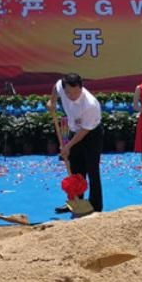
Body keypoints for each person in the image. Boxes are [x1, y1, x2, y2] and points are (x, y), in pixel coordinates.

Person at [47, 73, 104, 212]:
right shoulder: (62, 87)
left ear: (81, 87)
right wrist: (52, 101)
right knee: (75, 168)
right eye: (68, 93)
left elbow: (84, 130)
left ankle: (95, 206)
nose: (72, 96)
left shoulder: (90, 104)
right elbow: (56, 86)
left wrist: (68, 146)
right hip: (74, 130)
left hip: (91, 134)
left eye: (75, 92)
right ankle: (75, 201)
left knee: (92, 170)